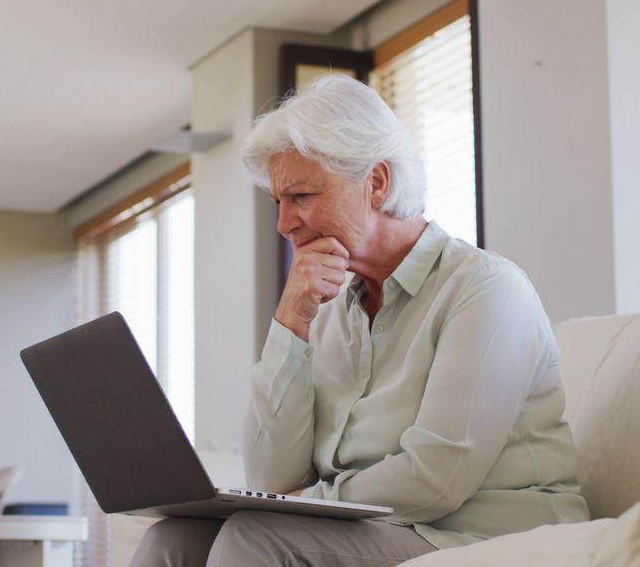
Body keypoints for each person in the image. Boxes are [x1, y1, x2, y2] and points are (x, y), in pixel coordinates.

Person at [130, 74, 589, 566]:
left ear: (376, 183)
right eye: (279, 202)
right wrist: (290, 322)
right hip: (375, 530)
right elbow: (270, 479)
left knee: (256, 538)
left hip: (478, 537)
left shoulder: (485, 288)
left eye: (302, 196)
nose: (285, 224)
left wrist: (308, 505)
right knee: (171, 542)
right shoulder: (327, 313)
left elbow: (437, 478)